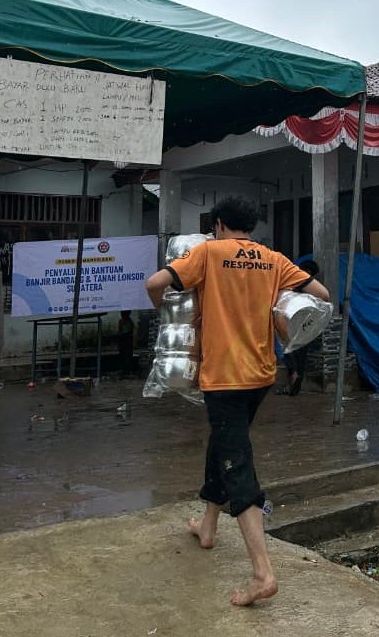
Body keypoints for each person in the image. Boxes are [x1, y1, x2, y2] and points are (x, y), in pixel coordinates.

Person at [145, 196, 329, 606]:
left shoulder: (209, 253)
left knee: (237, 463)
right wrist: (280, 312)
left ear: (219, 224)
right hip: (261, 375)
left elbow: (155, 284)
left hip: (224, 377)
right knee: (226, 442)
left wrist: (167, 315)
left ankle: (263, 574)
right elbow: (320, 294)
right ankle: (207, 527)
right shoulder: (273, 258)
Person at [275, 259, 320, 396]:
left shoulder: (298, 287)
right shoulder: (309, 288)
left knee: (292, 355)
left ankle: (292, 384)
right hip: (301, 327)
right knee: (296, 356)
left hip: (297, 326)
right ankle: (293, 385)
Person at [117, 310, 136, 378]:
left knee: (127, 356)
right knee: (123, 356)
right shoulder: (121, 321)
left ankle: (127, 371)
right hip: (123, 342)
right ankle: (124, 371)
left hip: (127, 342)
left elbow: (125, 332)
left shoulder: (128, 322)